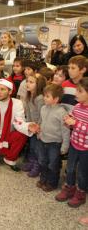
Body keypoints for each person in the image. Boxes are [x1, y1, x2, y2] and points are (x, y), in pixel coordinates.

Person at [0, 78, 39, 173]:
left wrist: (27, 126)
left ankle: (9, 158)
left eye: (3, 89)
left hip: (7, 136)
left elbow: (18, 122)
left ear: (10, 91)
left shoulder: (17, 103)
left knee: (22, 134)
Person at [55, 77, 88, 208]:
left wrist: (76, 123)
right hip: (74, 144)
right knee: (70, 168)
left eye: (80, 91)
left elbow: (81, 125)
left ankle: (81, 193)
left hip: (86, 149)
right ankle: (69, 187)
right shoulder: (77, 107)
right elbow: (73, 123)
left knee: (82, 172)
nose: (76, 94)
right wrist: (69, 121)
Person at [36, 84, 70, 192]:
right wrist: (38, 131)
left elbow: (66, 130)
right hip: (42, 140)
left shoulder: (62, 112)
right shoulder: (43, 108)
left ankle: (52, 183)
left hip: (54, 144)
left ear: (56, 99)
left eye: (47, 96)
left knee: (53, 164)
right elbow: (40, 122)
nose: (44, 98)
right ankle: (43, 179)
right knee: (42, 161)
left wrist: (65, 146)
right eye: (44, 95)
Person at [22, 74, 46, 177]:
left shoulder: (40, 98)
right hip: (32, 127)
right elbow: (28, 112)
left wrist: (38, 127)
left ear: (38, 85)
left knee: (37, 148)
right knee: (32, 146)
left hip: (39, 128)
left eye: (31, 82)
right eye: (27, 81)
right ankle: (31, 162)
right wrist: (28, 124)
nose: (27, 83)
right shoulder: (29, 96)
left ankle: (37, 166)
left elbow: (42, 114)